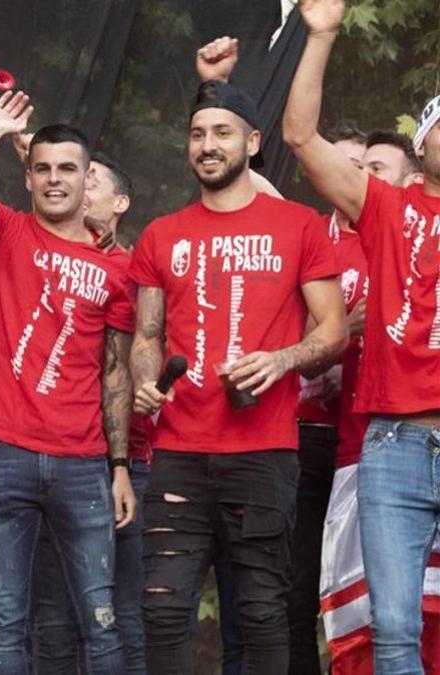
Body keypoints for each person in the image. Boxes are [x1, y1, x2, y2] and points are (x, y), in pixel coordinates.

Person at [129, 60, 348, 673]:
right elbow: (147, 335)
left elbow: (332, 331)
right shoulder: (160, 234)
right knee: (164, 612)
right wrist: (146, 379)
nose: (208, 146)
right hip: (177, 452)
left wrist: (281, 358)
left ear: (252, 143)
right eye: (198, 134)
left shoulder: (301, 226)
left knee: (261, 613)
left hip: (263, 453)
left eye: (222, 133)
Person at [0, 58, 137, 671]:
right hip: (2, 453)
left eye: (67, 168)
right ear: (29, 178)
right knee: (8, 621)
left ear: (85, 176)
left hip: (83, 461)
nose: (53, 179)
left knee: (100, 618)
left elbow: (116, 374)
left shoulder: (117, 267)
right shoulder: (6, 233)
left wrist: (120, 466)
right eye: (41, 168)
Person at [283, 1, 440, 672]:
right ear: (421, 146)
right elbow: (299, 137)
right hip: (395, 445)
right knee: (395, 629)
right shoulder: (388, 206)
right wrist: (319, 38)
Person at [31, 151, 150, 675]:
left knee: (119, 608)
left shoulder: (136, 266)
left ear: (120, 203)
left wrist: (147, 385)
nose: (75, 185)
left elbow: (144, 348)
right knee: (52, 613)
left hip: (127, 460)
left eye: (92, 179)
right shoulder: (46, 253)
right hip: (62, 456)